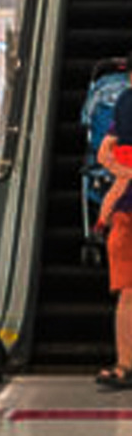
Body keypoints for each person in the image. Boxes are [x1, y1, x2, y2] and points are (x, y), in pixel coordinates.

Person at [95, 90, 132, 392]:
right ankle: (125, 364)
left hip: (124, 210)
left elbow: (104, 154)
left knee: (128, 294)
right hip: (125, 213)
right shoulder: (126, 103)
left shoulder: (126, 101)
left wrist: (124, 172)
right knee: (128, 293)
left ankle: (126, 365)